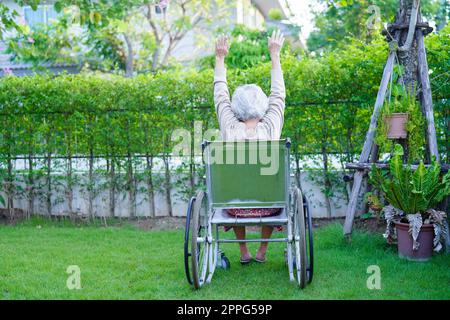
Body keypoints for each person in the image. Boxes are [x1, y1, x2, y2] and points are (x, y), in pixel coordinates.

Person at [213, 30, 286, 264]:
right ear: (263, 105)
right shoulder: (271, 128)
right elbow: (279, 94)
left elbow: (220, 96)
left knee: (237, 193)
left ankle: (244, 252)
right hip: (270, 206)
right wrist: (274, 54)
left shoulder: (230, 129)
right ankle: (262, 252)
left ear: (236, 108)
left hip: (236, 207)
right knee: (268, 190)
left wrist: (220, 58)